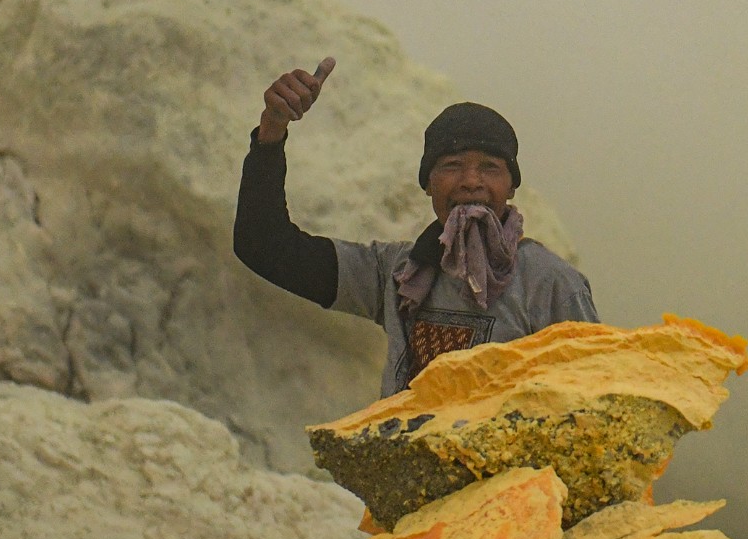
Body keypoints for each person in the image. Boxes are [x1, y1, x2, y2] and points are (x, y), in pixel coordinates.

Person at [233, 56, 598, 396]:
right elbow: (263, 245)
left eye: (490, 167)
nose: (471, 181)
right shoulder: (395, 274)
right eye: (452, 165)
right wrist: (272, 131)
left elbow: (594, 402)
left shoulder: (552, 285)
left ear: (512, 186)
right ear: (427, 184)